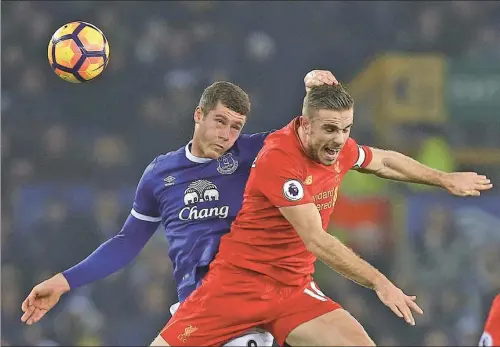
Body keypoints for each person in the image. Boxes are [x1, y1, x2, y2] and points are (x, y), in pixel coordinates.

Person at [154, 83, 493, 346]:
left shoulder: (338, 147)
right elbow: (316, 240)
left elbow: (384, 161)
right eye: (330, 129)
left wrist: (443, 178)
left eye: (346, 129)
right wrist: (379, 282)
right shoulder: (279, 159)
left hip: (292, 290)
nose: (340, 140)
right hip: (236, 287)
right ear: (304, 125)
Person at [20, 70, 337, 347]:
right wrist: (63, 282)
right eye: (220, 122)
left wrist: (314, 91)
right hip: (193, 310)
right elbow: (126, 242)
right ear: (199, 115)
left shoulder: (250, 154)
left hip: (244, 309)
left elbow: (304, 137)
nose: (227, 135)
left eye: (236, 127)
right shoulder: (160, 175)